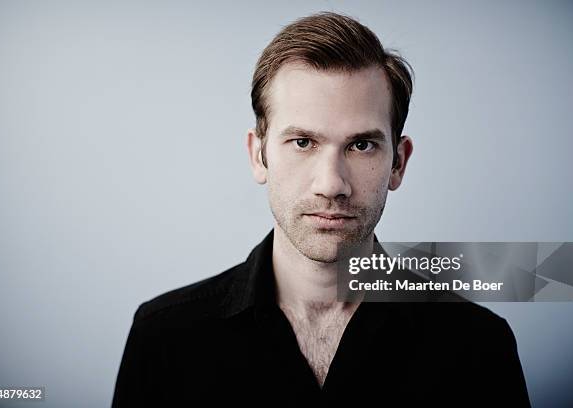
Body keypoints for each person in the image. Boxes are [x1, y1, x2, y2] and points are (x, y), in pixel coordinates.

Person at [112, 12, 531, 407]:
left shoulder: (478, 346)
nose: (331, 184)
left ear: (398, 163)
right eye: (303, 143)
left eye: (361, 145)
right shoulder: (164, 338)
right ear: (259, 156)